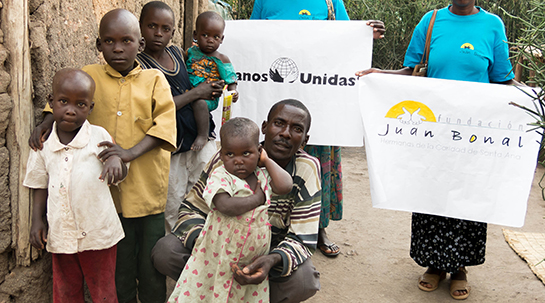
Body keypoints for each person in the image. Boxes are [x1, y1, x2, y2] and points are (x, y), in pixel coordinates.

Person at [356, 0, 517, 299]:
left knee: (466, 195)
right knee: (431, 193)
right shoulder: (430, 22)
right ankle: (434, 265)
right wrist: (379, 76)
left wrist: (526, 102)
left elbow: (502, 81)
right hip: (432, 133)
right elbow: (411, 71)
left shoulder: (493, 25)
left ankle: (460, 269)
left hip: (473, 134)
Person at [30, 9, 176, 303]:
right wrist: (46, 122)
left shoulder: (155, 80)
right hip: (104, 200)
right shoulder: (89, 75)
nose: (118, 48)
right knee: (117, 268)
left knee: (149, 267)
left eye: (126, 41)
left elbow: (166, 125)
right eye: (109, 42)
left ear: (140, 45)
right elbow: (64, 101)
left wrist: (128, 154)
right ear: (98, 45)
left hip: (147, 190)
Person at [250, 0, 385, 258]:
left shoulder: (331, 2)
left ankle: (317, 228)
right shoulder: (265, 1)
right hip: (277, 96)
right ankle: (265, 224)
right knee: (270, 161)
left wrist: (366, 35)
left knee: (319, 165)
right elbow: (252, 38)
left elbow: (346, 41)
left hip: (320, 101)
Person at [152, 99, 322, 303]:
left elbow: (302, 238)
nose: (285, 133)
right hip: (215, 245)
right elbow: (192, 209)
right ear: (265, 128)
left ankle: (255, 293)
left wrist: (270, 260)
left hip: (264, 253)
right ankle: (207, 292)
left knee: (303, 281)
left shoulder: (307, 168)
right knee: (166, 251)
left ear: (304, 140)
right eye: (279, 123)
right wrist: (210, 245)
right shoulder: (231, 156)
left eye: (296, 129)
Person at [24, 68, 126, 303]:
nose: (71, 110)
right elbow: (39, 184)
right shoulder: (44, 143)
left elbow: (119, 167)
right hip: (62, 232)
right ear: (51, 102)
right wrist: (37, 221)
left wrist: (115, 160)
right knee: (66, 291)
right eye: (63, 102)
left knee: (104, 292)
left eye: (80, 105)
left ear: (90, 108)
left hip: (98, 233)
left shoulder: (98, 136)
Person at [168, 117, 292, 302]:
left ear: (259, 151)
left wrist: (266, 160)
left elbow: (285, 186)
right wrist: (257, 198)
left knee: (243, 295)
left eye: (246, 153)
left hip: (253, 258)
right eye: (230, 154)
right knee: (209, 292)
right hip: (218, 254)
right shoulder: (221, 175)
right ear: (221, 153)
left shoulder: (262, 175)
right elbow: (225, 206)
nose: (238, 161)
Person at [137, 1, 224, 232]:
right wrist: (197, 93)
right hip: (171, 145)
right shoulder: (139, 66)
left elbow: (197, 78)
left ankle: (202, 248)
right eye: (151, 26)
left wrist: (215, 87)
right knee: (173, 202)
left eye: (166, 29)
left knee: (205, 192)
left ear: (173, 32)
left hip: (200, 134)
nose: (158, 33)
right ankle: (173, 257)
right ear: (140, 27)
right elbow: (156, 109)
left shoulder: (177, 52)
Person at [186, 11, 239, 150]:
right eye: (205, 35)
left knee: (199, 103)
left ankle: (203, 135)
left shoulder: (221, 59)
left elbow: (231, 78)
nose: (210, 40)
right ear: (195, 35)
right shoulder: (191, 52)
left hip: (207, 97)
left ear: (222, 39)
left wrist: (233, 91)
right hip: (189, 92)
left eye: (216, 37)